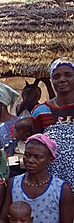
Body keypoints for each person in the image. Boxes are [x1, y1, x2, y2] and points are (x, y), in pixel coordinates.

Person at [32, 57, 74, 188]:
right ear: (52, 81)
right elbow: (37, 145)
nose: (62, 79)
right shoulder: (40, 111)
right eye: (56, 76)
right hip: (54, 181)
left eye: (68, 75)